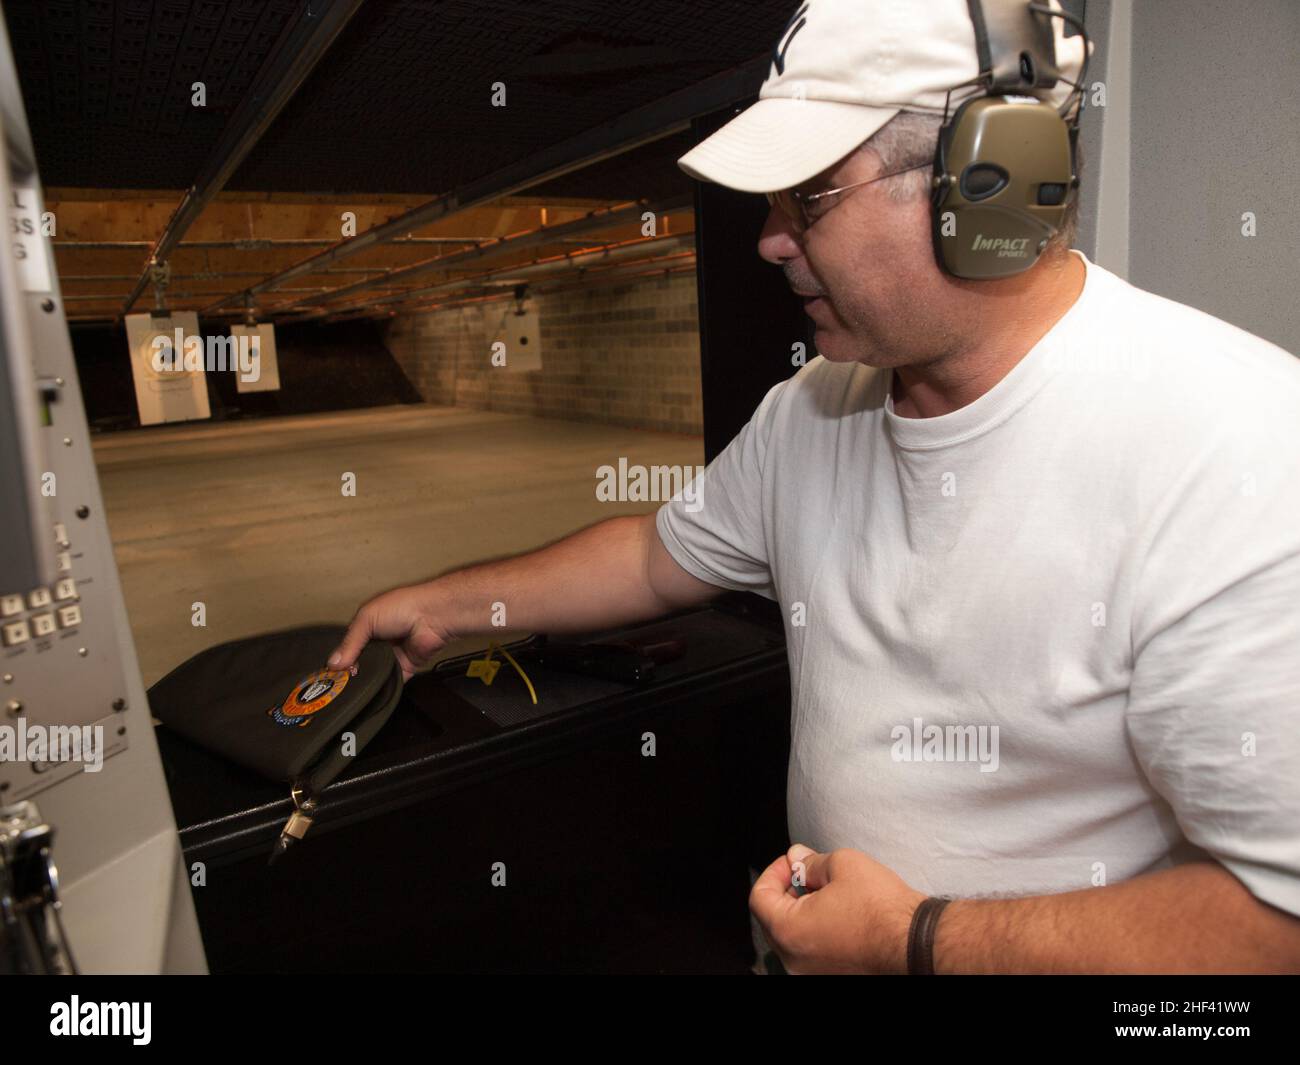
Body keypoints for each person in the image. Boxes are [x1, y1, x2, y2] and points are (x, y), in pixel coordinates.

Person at [329, 0, 1300, 973]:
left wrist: (907, 941)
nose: (769, 239)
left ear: (991, 184)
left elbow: (1276, 926)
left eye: (812, 196)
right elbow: (654, 557)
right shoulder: (813, 409)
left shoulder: (1238, 451)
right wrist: (442, 604)